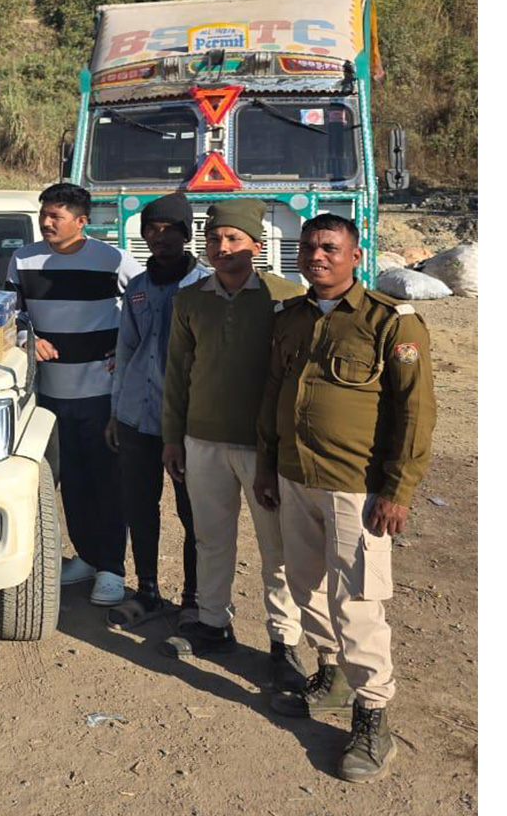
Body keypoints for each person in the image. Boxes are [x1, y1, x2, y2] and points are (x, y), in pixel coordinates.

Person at [255, 213, 436, 784]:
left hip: (355, 487)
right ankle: (332, 675)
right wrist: (267, 464)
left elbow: (415, 413)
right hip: (293, 476)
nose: (317, 256)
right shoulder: (291, 316)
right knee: (305, 585)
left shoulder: (391, 322)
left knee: (357, 602)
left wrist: (397, 491)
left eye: (330, 247)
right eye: (309, 247)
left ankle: (372, 716)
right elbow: (273, 394)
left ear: (356, 256)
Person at [158, 198, 315, 692]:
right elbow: (177, 374)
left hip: (262, 448)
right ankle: (212, 623)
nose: (222, 248)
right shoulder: (192, 298)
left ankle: (283, 644)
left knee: (278, 548)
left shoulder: (285, 296)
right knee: (210, 537)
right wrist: (173, 438)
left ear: (256, 245)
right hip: (201, 441)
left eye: (233, 239)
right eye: (214, 238)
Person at [6, 182, 143, 606]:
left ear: (81, 222)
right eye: (45, 214)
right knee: (69, 483)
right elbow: (11, 313)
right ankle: (85, 557)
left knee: (106, 481)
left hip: (100, 393)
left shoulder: (113, 259)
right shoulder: (23, 259)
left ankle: (112, 569)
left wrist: (129, 349)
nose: (47, 222)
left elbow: (145, 307)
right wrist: (29, 339)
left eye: (57, 216)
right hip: (46, 395)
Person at [103, 192, 209, 628]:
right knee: (140, 506)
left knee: (192, 512)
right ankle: (147, 592)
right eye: (152, 229)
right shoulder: (139, 289)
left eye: (170, 230)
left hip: (186, 423)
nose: (160, 237)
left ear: (186, 234)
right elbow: (126, 349)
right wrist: (115, 411)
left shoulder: (205, 286)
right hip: (135, 418)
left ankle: (193, 599)